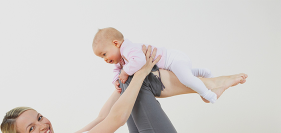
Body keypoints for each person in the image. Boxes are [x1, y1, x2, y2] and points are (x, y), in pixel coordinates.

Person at [0, 46, 247, 133]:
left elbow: (100, 118)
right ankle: (209, 86)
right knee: (142, 81)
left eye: (39, 117)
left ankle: (207, 87)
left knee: (132, 82)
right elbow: (115, 120)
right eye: (32, 128)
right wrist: (139, 74)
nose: (42, 125)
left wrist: (122, 80)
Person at [93, 27, 223, 103]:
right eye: (101, 57)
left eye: (104, 54)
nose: (104, 59)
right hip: (171, 64)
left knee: (185, 79)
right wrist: (116, 80)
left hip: (172, 59)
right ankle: (202, 72)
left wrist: (125, 72)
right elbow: (118, 71)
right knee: (181, 75)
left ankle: (207, 94)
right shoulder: (120, 59)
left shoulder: (128, 48)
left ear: (116, 43)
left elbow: (139, 61)